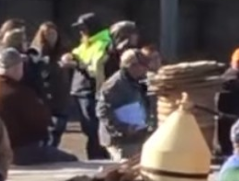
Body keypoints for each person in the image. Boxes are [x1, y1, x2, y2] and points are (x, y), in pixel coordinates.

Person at [0, 46, 70, 164]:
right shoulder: (18, 93)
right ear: (16, 68)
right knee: (70, 160)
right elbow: (42, 121)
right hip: (17, 152)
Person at [69, 14, 112, 161]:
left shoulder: (102, 43)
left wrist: (77, 64)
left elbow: (96, 69)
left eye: (83, 28)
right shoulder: (88, 42)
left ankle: (98, 160)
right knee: (89, 130)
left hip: (90, 91)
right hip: (81, 90)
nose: (81, 32)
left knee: (94, 131)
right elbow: (79, 53)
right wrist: (70, 57)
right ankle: (96, 158)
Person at [97, 49, 153, 161]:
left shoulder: (137, 81)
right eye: (143, 65)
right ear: (132, 66)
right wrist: (124, 128)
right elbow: (102, 112)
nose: (146, 69)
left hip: (136, 136)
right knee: (124, 170)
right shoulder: (114, 84)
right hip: (120, 140)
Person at [30, 22, 75, 146]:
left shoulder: (64, 50)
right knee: (47, 130)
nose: (51, 37)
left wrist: (71, 62)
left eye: (53, 34)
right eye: (48, 34)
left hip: (61, 95)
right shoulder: (36, 52)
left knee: (59, 128)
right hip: (45, 94)